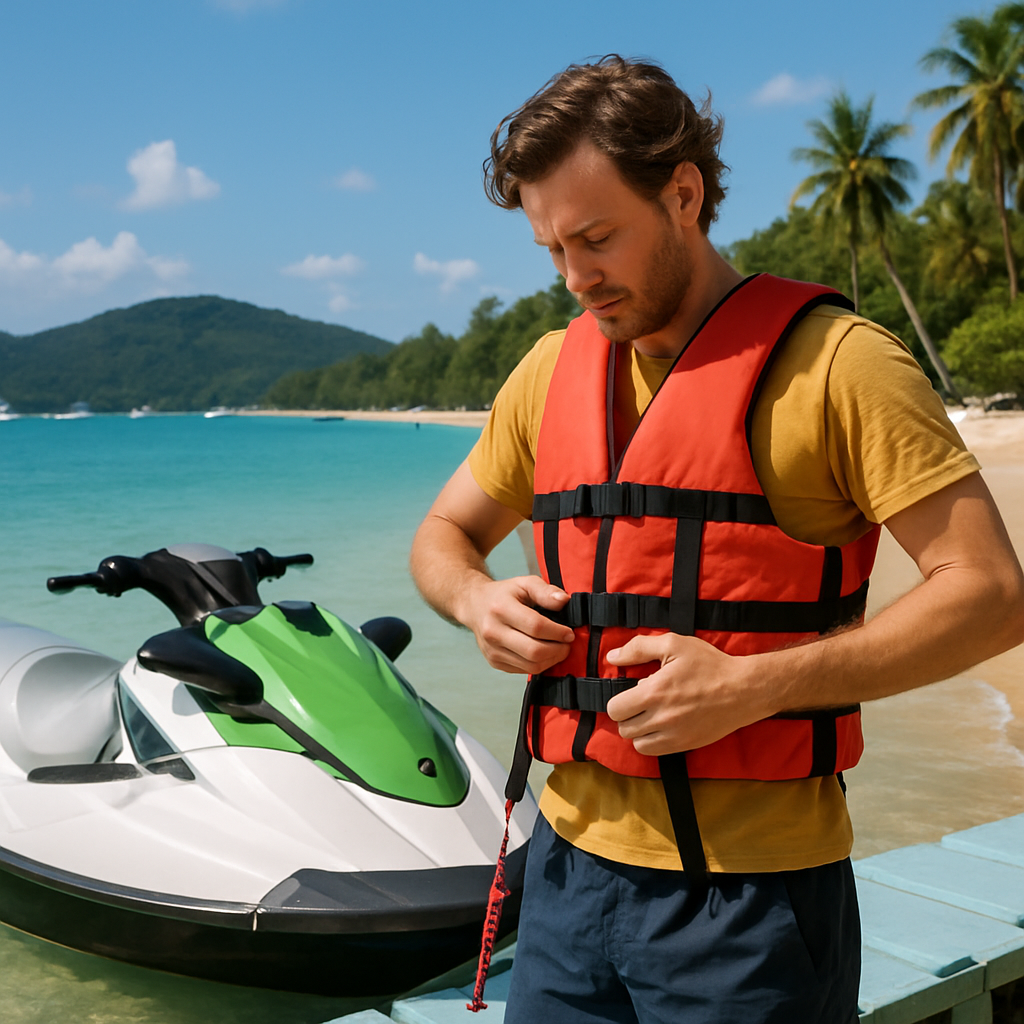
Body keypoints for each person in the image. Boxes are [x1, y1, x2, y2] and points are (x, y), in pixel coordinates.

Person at [409, 56, 1024, 1024]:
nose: (576, 280)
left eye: (597, 238)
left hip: (753, 904)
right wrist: (474, 598)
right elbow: (444, 534)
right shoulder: (546, 371)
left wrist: (752, 686)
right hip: (564, 878)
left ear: (683, 194)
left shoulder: (839, 364)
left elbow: (987, 593)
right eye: (553, 250)